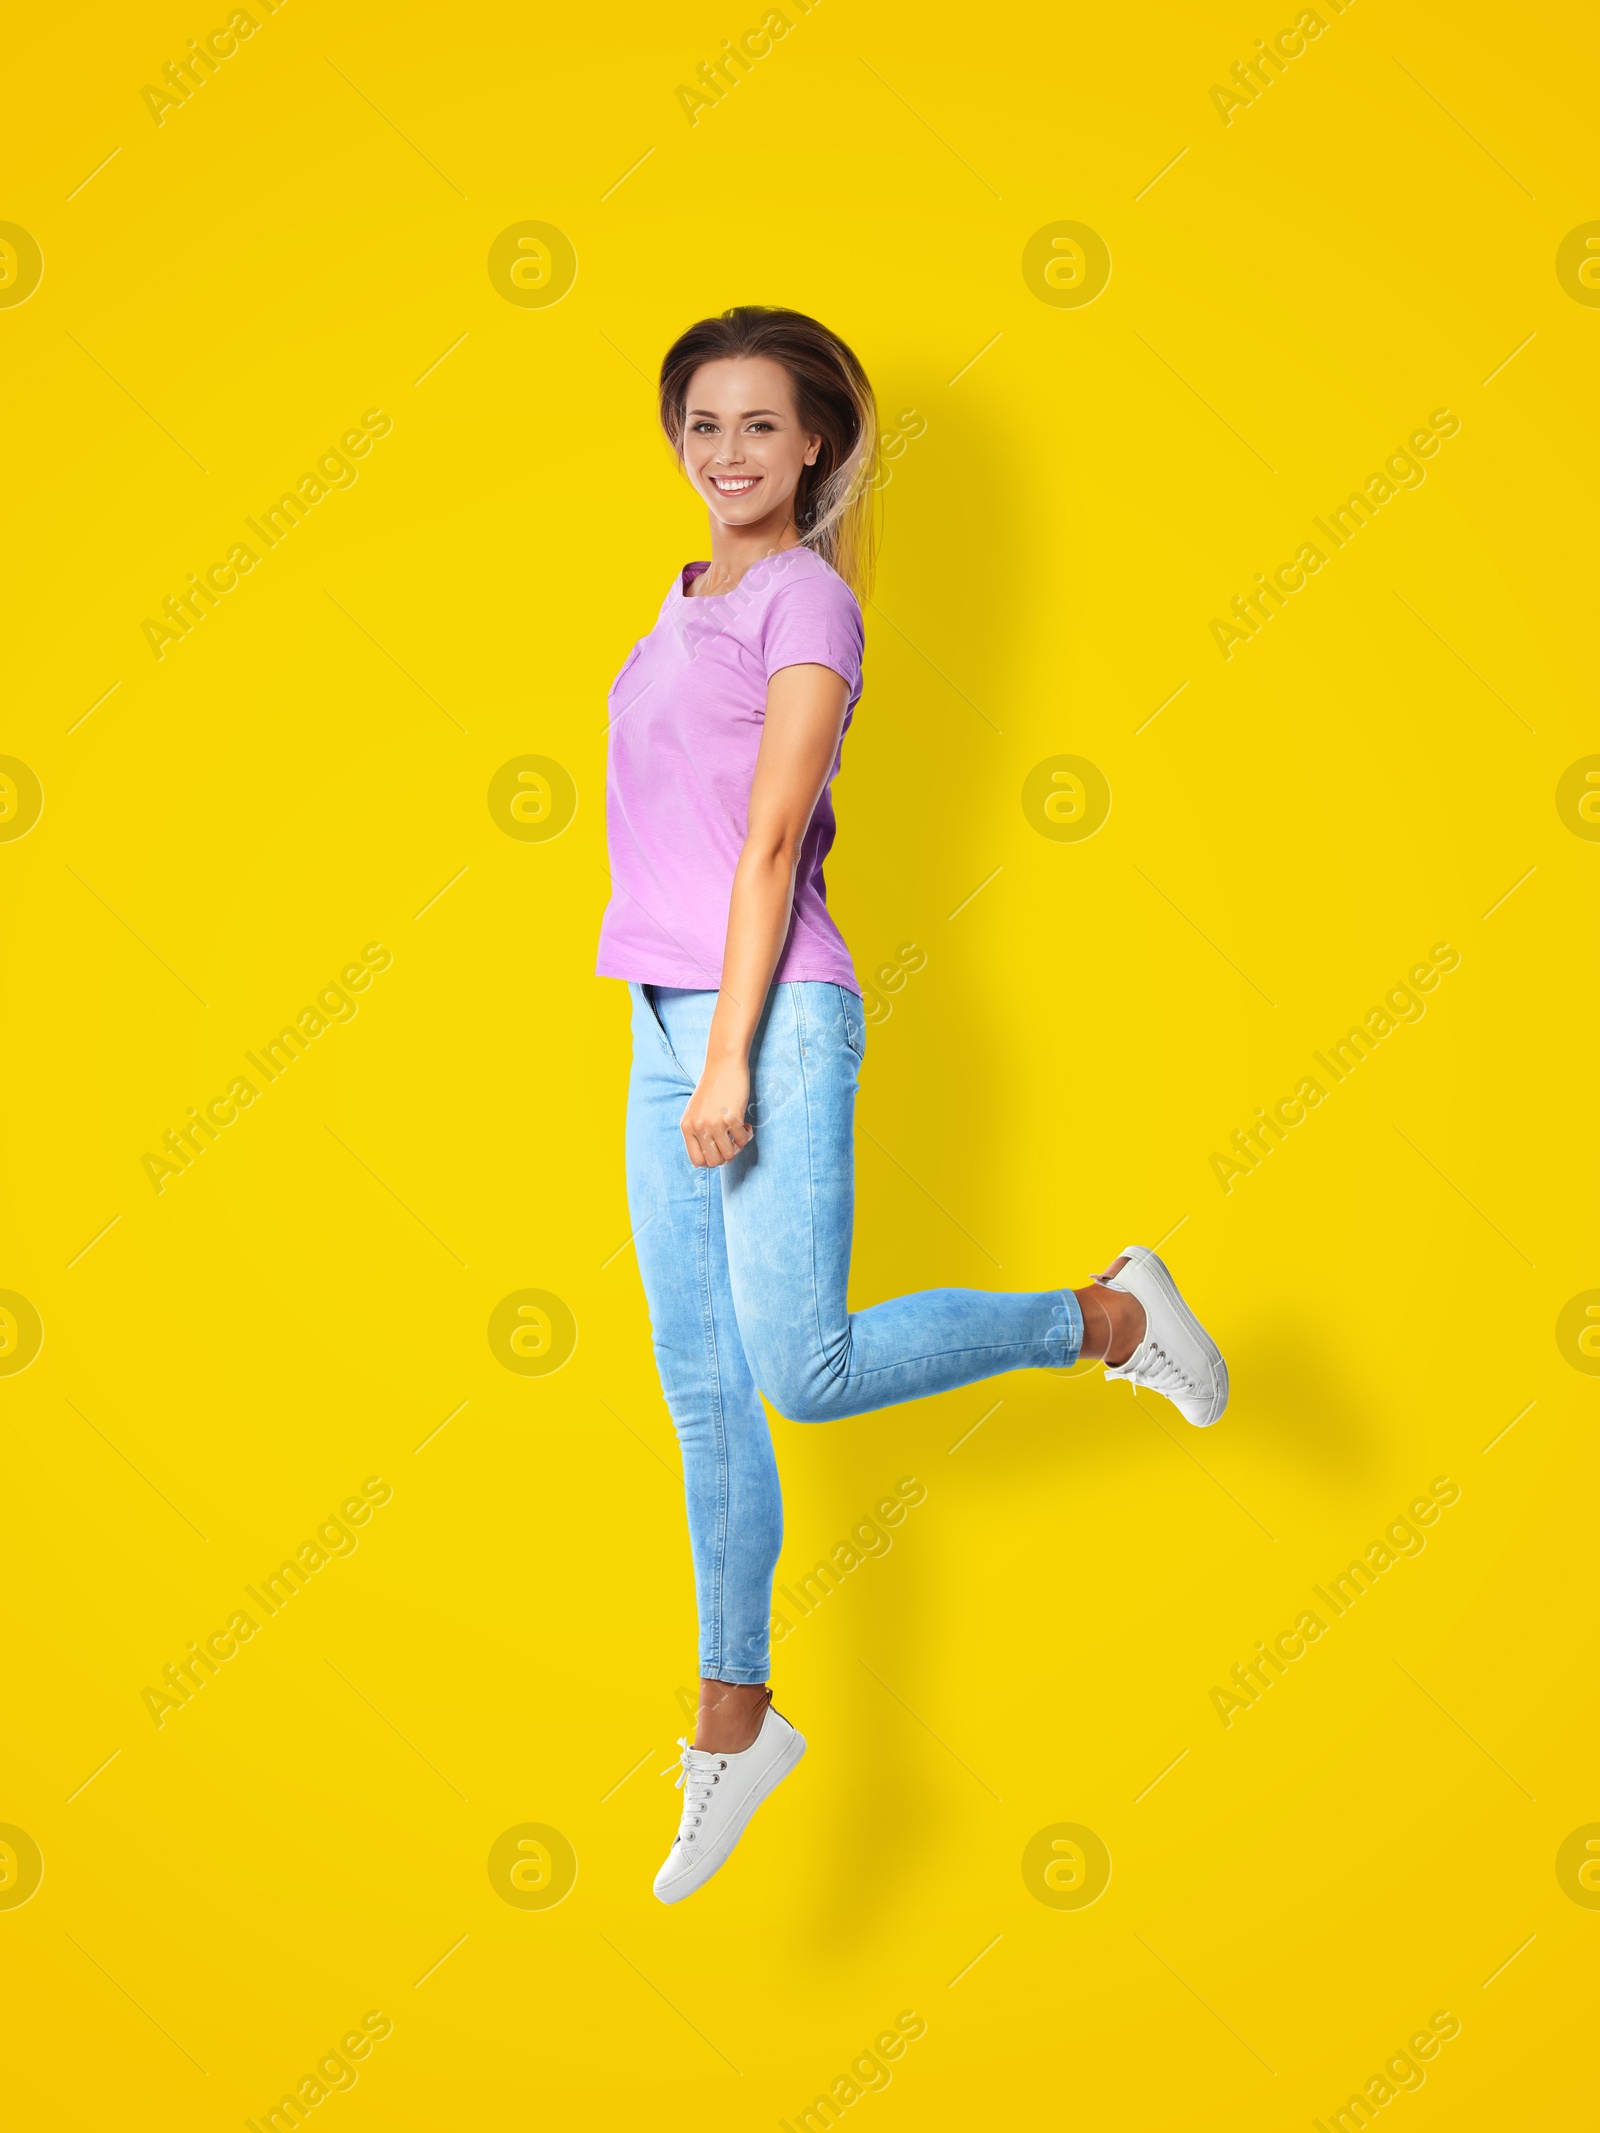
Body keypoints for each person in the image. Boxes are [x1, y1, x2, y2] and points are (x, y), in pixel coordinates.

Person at [596, 305, 1228, 1905]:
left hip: (771, 1019)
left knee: (798, 1372)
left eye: (760, 424)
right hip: (661, 1018)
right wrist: (685, 1039)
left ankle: (1107, 1318)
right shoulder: (678, 605)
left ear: (817, 444)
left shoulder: (807, 601)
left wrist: (731, 1053)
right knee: (704, 1393)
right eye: (704, 421)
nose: (726, 450)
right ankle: (734, 1720)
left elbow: (769, 840)